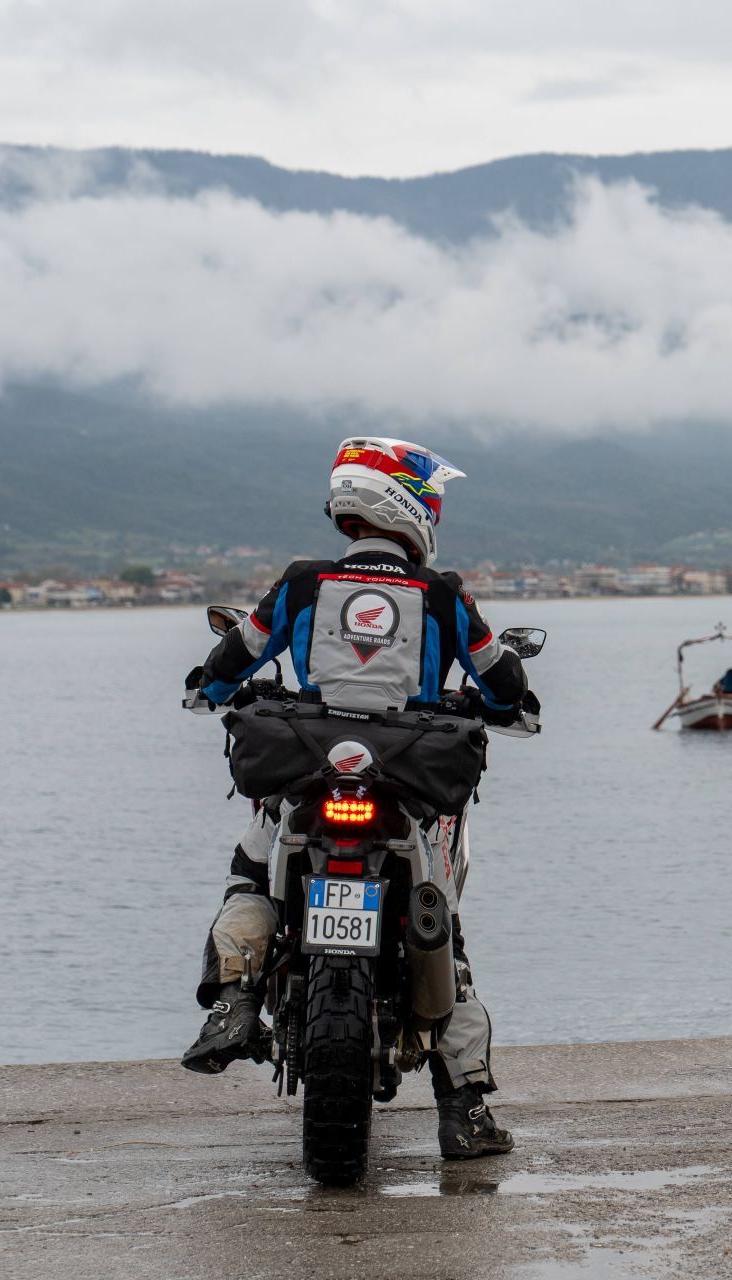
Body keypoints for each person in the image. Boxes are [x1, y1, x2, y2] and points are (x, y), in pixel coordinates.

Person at [178, 436, 532, 1158]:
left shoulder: (302, 583)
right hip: (407, 786)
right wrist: (507, 704)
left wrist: (207, 689)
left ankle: (235, 999)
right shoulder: (443, 594)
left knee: (251, 875)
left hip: (310, 775)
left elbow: (234, 656)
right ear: (409, 505)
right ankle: (463, 1110)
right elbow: (500, 679)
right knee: (443, 931)